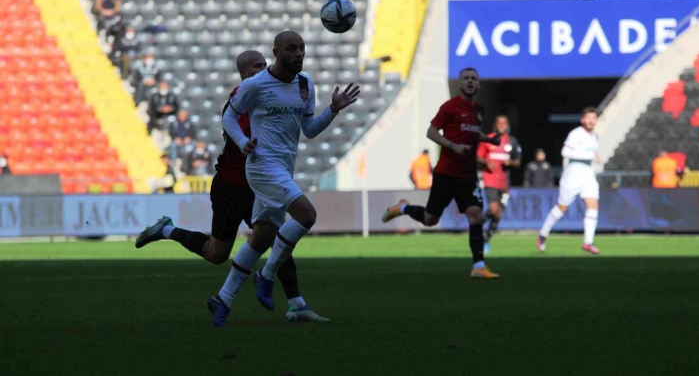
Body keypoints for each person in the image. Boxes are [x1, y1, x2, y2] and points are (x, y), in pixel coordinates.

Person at [134, 50, 327, 325]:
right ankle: (167, 229)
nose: (263, 70)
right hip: (231, 184)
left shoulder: (268, 90)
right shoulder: (245, 97)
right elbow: (237, 123)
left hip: (256, 184)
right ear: (243, 73)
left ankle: (296, 303)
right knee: (217, 254)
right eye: (256, 67)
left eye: (264, 65)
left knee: (275, 238)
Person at [214, 31, 358, 321]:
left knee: (261, 237)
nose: (299, 54)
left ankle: (223, 299)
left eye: (302, 48)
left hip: (284, 166)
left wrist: (333, 110)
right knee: (306, 215)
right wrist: (244, 142)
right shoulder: (255, 85)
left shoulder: (305, 85)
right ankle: (266, 276)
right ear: (276, 53)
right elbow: (228, 117)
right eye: (292, 49)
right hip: (261, 165)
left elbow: (310, 130)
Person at [382, 67, 502, 279]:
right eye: (466, 78)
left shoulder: (479, 110)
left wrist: (488, 139)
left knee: (475, 216)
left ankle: (479, 266)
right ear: (460, 84)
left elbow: (471, 131)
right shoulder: (449, 107)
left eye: (474, 79)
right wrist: (452, 146)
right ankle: (402, 208)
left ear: (479, 84)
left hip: (468, 175)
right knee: (430, 220)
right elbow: (431, 131)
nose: (470, 82)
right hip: (446, 173)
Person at [537, 107, 600, 254]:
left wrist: (596, 157)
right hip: (573, 173)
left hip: (588, 173)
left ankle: (588, 242)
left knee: (593, 205)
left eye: (593, 118)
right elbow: (565, 152)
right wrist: (587, 156)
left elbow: (592, 152)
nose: (590, 121)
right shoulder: (576, 133)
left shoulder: (595, 136)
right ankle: (543, 233)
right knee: (562, 207)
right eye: (588, 118)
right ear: (583, 119)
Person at [476, 115, 521, 252]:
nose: (501, 125)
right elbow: (478, 156)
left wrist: (511, 163)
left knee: (498, 214)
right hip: (490, 180)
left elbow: (518, 161)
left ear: (507, 125)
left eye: (504, 123)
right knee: (494, 208)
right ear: (495, 124)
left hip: (504, 183)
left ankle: (485, 240)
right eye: (499, 123)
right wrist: (487, 162)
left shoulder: (512, 142)